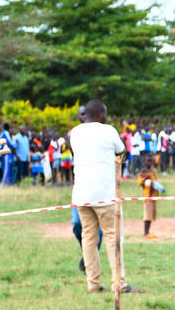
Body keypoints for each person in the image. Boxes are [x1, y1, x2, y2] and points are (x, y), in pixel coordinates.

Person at [69, 99, 137, 294]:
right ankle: (120, 283)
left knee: (88, 239)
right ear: (99, 113)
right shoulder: (108, 130)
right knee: (112, 238)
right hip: (105, 195)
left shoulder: (75, 132)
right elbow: (121, 150)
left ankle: (93, 283)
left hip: (81, 195)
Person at [138, 155, 161, 238]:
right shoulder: (144, 171)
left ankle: (148, 232)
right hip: (148, 196)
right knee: (147, 215)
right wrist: (147, 182)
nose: (150, 163)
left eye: (151, 161)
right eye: (148, 161)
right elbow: (140, 183)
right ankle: (145, 232)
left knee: (151, 215)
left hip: (154, 195)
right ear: (144, 162)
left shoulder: (152, 170)